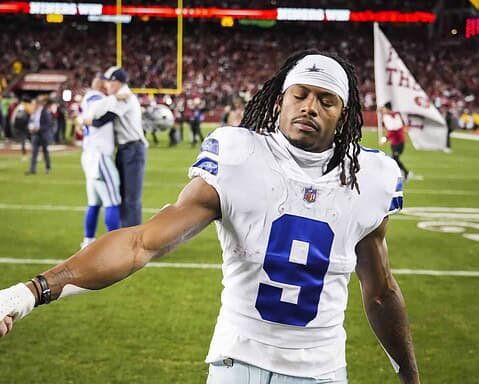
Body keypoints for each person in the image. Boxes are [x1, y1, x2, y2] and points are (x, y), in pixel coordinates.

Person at [0, 50, 420, 384]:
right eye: (300, 95)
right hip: (237, 361)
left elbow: (380, 291)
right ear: (279, 102)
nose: (310, 107)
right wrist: (29, 292)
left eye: (325, 100)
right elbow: (140, 243)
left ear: (343, 115)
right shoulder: (239, 156)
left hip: (321, 369)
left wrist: (409, 374)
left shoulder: (371, 178)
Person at [83, 66, 147, 228]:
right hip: (125, 150)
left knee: (131, 199)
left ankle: (132, 240)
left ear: (117, 82)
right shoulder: (117, 96)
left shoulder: (125, 97)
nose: (106, 85)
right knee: (123, 197)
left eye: (109, 81)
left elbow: (104, 118)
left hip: (132, 149)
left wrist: (90, 121)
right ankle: (126, 238)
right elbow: (97, 109)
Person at [77, 75, 121, 249]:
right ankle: (114, 245)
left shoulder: (89, 98)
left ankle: (88, 241)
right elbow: (96, 107)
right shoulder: (96, 97)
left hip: (90, 154)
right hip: (99, 156)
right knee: (112, 201)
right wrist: (114, 97)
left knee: (94, 202)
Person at [380, 101, 411, 181]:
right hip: (394, 142)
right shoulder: (389, 116)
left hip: (399, 142)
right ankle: (403, 173)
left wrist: (384, 139)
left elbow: (394, 130)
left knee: (395, 159)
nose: (383, 110)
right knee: (395, 159)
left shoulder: (395, 116)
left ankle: (404, 173)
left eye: (384, 108)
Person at [25, 96, 53, 175]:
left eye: (33, 104)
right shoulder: (33, 113)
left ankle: (48, 168)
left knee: (45, 152)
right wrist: (30, 128)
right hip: (35, 134)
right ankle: (32, 169)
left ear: (38, 104)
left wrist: (39, 128)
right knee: (34, 152)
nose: (32, 105)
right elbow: (30, 122)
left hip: (43, 134)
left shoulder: (44, 111)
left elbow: (49, 124)